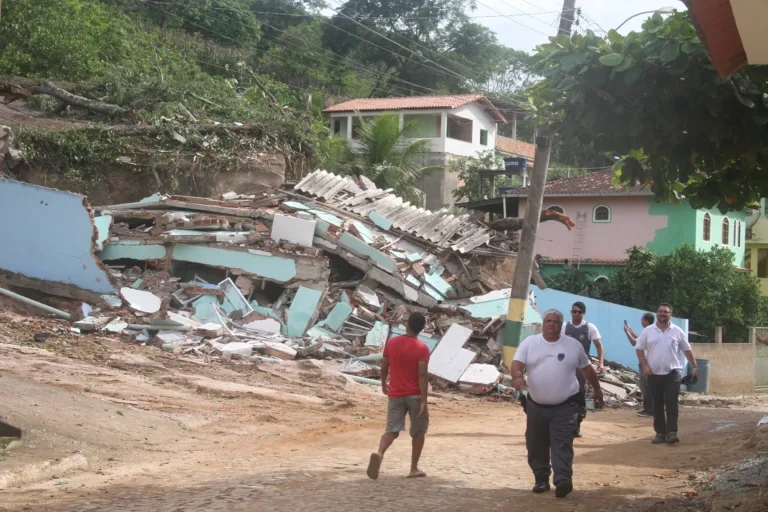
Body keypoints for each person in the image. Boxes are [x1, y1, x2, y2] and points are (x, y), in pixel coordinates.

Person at [512, 309, 604, 499]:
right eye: (548, 321)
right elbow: (517, 363)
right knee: (536, 444)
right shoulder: (530, 343)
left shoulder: (573, 345)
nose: (552, 324)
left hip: (565, 405)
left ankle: (562, 480)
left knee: (562, 443)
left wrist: (597, 390)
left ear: (561, 325)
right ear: (543, 324)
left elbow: (587, 370)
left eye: (556, 321)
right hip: (536, 405)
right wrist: (518, 377)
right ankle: (541, 479)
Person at [367, 312, 430, 480]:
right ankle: (413, 468)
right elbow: (422, 375)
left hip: (395, 394)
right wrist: (424, 399)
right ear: (422, 328)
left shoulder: (392, 343)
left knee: (392, 430)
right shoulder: (422, 348)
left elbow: (384, 366)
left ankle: (379, 453)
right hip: (415, 395)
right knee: (418, 432)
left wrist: (383, 383)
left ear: (407, 324)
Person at [635, 303, 699, 445]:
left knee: (671, 403)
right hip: (653, 373)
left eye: (666, 312)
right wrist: (645, 366)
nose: (663, 314)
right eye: (660, 311)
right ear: (657, 314)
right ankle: (660, 433)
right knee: (656, 404)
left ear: (670, 314)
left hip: (672, 373)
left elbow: (687, 350)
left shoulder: (677, 331)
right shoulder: (648, 331)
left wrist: (695, 367)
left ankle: (671, 432)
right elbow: (639, 349)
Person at [561, 301, 605, 437]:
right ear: (571, 312)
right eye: (574, 311)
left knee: (579, 395)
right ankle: (563, 425)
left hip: (582, 368)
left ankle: (577, 425)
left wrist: (601, 363)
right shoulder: (564, 327)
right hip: (566, 366)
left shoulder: (589, 328)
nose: (576, 314)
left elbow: (599, 345)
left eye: (579, 312)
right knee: (563, 396)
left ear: (583, 313)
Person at [624, 312, 655, 417]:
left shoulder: (646, 330)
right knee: (648, 386)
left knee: (645, 387)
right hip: (651, 362)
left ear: (646, 321)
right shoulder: (652, 330)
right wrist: (632, 333)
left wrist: (626, 333)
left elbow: (634, 343)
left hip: (645, 363)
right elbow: (641, 340)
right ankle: (649, 408)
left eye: (642, 319)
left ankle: (649, 409)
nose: (641, 321)